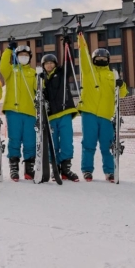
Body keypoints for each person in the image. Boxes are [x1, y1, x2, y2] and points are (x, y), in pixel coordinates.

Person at [77, 42, 128, 182]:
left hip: (106, 115)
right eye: (97, 58)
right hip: (89, 113)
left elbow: (122, 94)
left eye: (103, 58)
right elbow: (83, 55)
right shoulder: (88, 72)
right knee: (88, 143)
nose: (100, 60)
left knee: (107, 145)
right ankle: (87, 170)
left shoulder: (112, 75)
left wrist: (121, 84)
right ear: (93, 59)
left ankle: (110, 172)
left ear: (108, 60)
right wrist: (80, 38)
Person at [41, 46, 80, 182]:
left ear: (56, 64)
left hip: (64, 112)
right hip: (50, 116)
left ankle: (66, 168)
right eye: (46, 63)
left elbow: (69, 63)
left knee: (66, 142)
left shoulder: (62, 73)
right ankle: (55, 168)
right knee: (53, 144)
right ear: (43, 66)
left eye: (52, 62)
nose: (49, 65)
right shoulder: (41, 79)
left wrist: (67, 45)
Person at [0, 39, 37, 181]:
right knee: (14, 139)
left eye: (26, 55)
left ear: (30, 58)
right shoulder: (11, 71)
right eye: (20, 54)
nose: (23, 57)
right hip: (13, 110)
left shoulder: (33, 73)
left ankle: (29, 168)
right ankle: (14, 167)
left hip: (29, 112)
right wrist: (9, 50)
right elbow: (3, 65)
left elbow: (39, 89)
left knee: (30, 141)